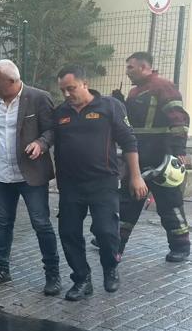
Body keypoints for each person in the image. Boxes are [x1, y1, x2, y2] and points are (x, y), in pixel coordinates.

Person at [54, 65, 147, 301]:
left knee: (106, 231)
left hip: (103, 182)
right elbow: (49, 137)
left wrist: (135, 176)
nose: (67, 94)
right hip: (70, 185)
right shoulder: (60, 112)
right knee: (69, 233)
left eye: (71, 88)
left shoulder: (110, 106)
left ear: (85, 83)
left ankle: (110, 268)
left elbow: (129, 142)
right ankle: (82, 279)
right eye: (63, 90)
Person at [0, 59, 60, 295]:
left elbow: (53, 130)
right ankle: (2, 269)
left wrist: (41, 143)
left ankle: (52, 274)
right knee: (3, 224)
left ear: (12, 81)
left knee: (41, 224)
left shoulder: (39, 98)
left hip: (30, 175)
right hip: (1, 174)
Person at [117, 52, 190, 262]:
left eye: (131, 67)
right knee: (127, 201)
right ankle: (116, 242)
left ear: (144, 67)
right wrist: (120, 104)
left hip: (161, 157)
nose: (127, 71)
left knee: (169, 203)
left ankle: (181, 245)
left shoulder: (163, 86)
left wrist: (178, 152)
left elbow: (180, 119)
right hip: (137, 156)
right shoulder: (133, 92)